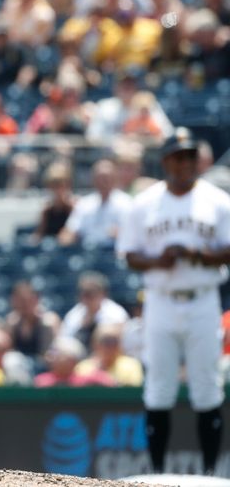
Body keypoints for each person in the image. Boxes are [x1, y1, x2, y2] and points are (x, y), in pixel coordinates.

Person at [117, 128, 230, 475]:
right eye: (179, 156)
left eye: (190, 156)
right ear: (166, 160)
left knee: (207, 388)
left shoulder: (219, 200)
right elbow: (128, 254)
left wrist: (199, 254)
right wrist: (158, 260)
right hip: (160, 301)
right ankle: (156, 472)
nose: (185, 163)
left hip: (203, 300)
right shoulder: (144, 203)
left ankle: (211, 472)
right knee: (159, 388)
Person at [58, 159, 132, 247]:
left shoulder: (126, 203)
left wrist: (121, 234)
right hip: (86, 253)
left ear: (114, 178)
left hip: (113, 253)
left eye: (106, 178)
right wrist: (68, 237)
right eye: (99, 178)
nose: (103, 182)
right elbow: (69, 230)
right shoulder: (84, 203)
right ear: (93, 179)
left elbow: (133, 234)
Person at [60, 271, 128, 347]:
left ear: (103, 293)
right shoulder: (74, 315)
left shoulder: (115, 313)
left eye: (90, 293)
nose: (86, 297)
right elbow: (65, 341)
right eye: (83, 292)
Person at [5, 281, 60, 368]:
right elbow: (8, 351)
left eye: (27, 300)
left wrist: (51, 356)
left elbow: (57, 347)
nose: (24, 304)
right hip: (19, 367)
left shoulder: (49, 320)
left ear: (36, 299)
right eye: (20, 300)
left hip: (46, 365)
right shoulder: (12, 322)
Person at [74, 323, 143, 386]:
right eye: (106, 341)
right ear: (95, 343)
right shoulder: (83, 367)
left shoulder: (131, 365)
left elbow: (133, 387)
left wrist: (108, 381)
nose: (111, 346)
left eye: (114, 341)